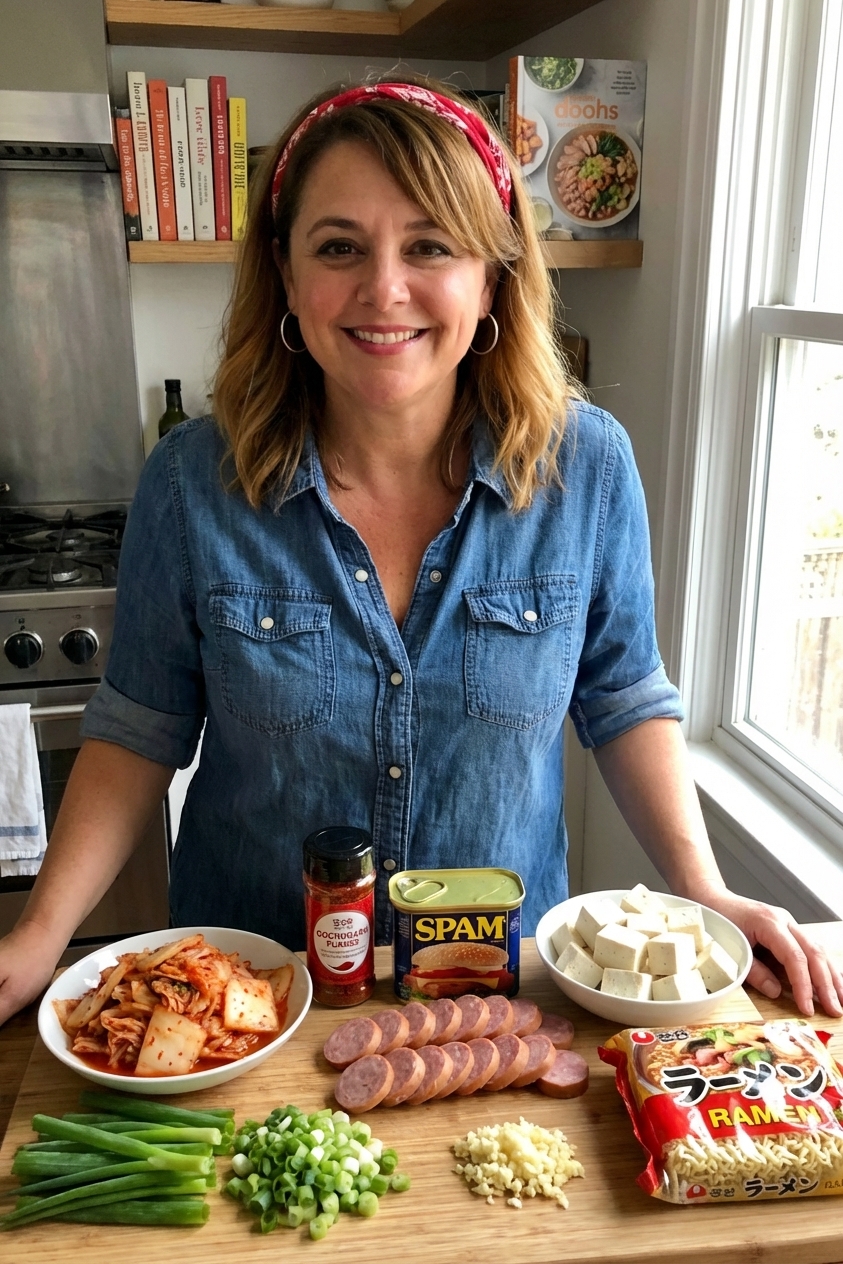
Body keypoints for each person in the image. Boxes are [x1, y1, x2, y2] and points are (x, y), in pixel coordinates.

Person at [0, 73, 840, 1027]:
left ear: (492, 277)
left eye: (429, 245)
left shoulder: (586, 465)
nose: (383, 289)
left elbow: (623, 696)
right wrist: (38, 938)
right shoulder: (193, 483)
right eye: (339, 247)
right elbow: (137, 728)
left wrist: (706, 895)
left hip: (491, 990)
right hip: (248, 999)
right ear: (285, 274)